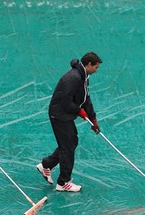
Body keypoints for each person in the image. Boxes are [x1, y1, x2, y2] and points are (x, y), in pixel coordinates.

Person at [36, 52, 102, 192]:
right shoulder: (73, 78)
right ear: (88, 64)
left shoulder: (83, 78)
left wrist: (93, 118)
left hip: (65, 114)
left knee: (70, 142)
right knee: (68, 147)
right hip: (59, 115)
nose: (97, 70)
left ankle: (46, 165)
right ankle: (63, 182)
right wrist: (79, 111)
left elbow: (85, 100)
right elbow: (65, 102)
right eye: (96, 67)